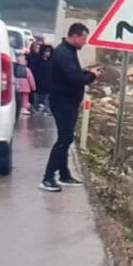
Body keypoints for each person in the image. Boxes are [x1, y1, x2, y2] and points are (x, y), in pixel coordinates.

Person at [40, 23, 102, 192]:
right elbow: (74, 79)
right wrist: (92, 76)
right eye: (83, 39)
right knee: (64, 139)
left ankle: (64, 174)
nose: (85, 43)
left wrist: (87, 72)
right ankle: (48, 177)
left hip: (69, 103)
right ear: (75, 36)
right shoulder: (63, 53)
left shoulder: (69, 51)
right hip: (62, 103)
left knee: (66, 138)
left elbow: (74, 73)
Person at [29, 43, 53, 113]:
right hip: (38, 81)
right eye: (46, 51)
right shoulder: (37, 60)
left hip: (48, 81)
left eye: (49, 51)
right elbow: (34, 70)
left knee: (47, 96)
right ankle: (35, 107)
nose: (48, 53)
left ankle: (47, 108)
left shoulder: (51, 61)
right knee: (37, 95)